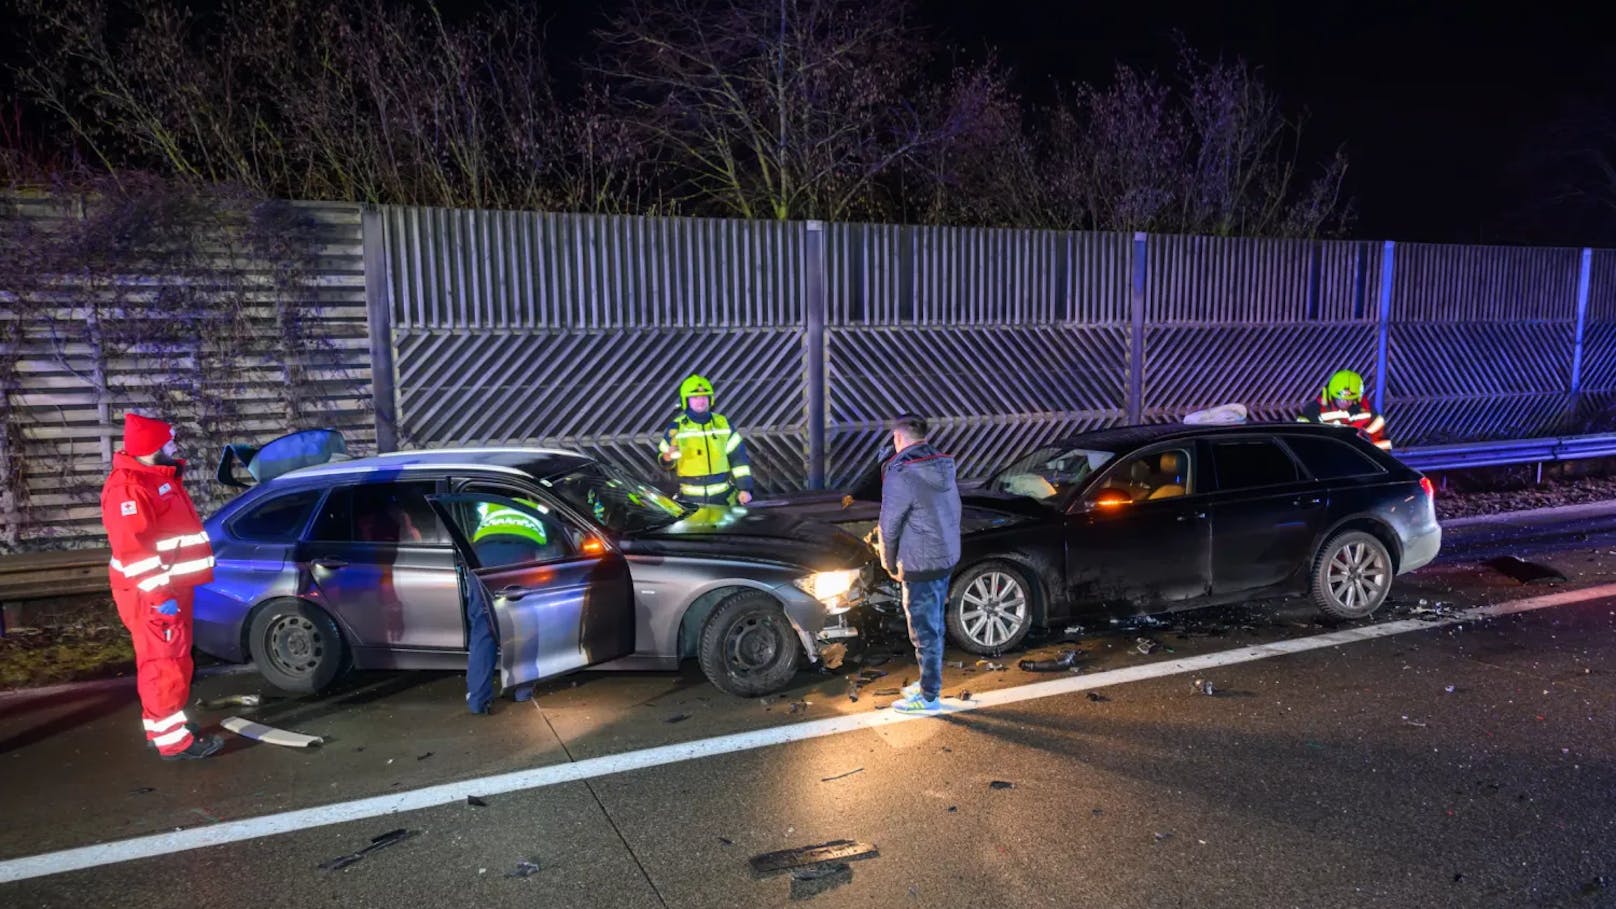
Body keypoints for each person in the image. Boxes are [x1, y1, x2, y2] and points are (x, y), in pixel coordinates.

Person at [99, 413, 223, 760]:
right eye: (168, 442)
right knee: (164, 663)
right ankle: (173, 742)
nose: (174, 447)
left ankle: (162, 725)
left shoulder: (154, 477)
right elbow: (135, 550)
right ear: (152, 448)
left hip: (168, 588)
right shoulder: (131, 487)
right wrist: (159, 596)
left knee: (171, 661)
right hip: (155, 593)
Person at [878, 414, 962, 714]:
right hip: (944, 557)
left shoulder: (901, 473)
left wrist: (888, 562)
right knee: (933, 624)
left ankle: (929, 697)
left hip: (919, 562)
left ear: (898, 438)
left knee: (923, 631)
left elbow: (888, 527)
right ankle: (929, 682)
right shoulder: (943, 465)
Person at [464, 499, 549, 713]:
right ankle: (522, 691)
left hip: (482, 558)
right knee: (524, 625)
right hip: (520, 557)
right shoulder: (537, 505)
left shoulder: (487, 505)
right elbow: (552, 545)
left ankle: (477, 701)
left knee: (483, 630)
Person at [657, 374, 755, 506]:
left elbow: (739, 459)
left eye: (704, 396)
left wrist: (745, 489)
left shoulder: (723, 423)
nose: (700, 401)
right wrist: (667, 458)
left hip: (723, 499)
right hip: (689, 500)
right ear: (686, 401)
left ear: (710, 399)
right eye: (695, 397)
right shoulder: (676, 427)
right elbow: (664, 461)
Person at [1298, 369, 1392, 451]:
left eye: (1350, 399)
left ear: (1358, 397)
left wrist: (1384, 461)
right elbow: (1301, 438)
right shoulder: (1315, 410)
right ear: (1332, 395)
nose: (1346, 402)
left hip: (1352, 455)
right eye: (1341, 399)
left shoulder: (1365, 408)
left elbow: (1381, 438)